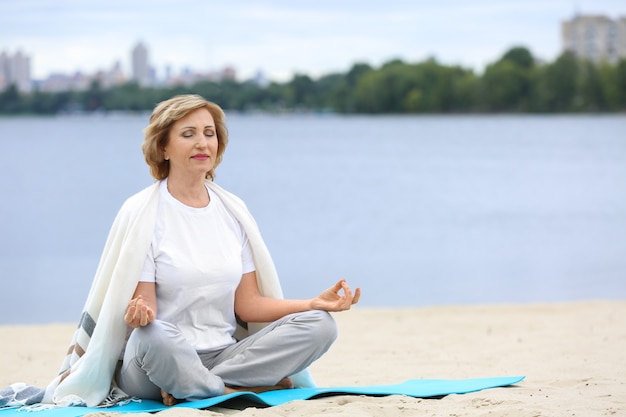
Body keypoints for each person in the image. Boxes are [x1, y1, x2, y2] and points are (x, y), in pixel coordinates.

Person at [108, 94, 361, 406]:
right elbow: (147, 311)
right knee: (154, 336)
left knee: (320, 325)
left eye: (209, 133)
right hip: (159, 363)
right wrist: (140, 315)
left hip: (224, 356)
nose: (202, 143)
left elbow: (248, 305)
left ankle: (203, 387)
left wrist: (312, 303)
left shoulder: (231, 211)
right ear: (163, 147)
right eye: (188, 134)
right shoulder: (143, 213)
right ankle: (232, 390)